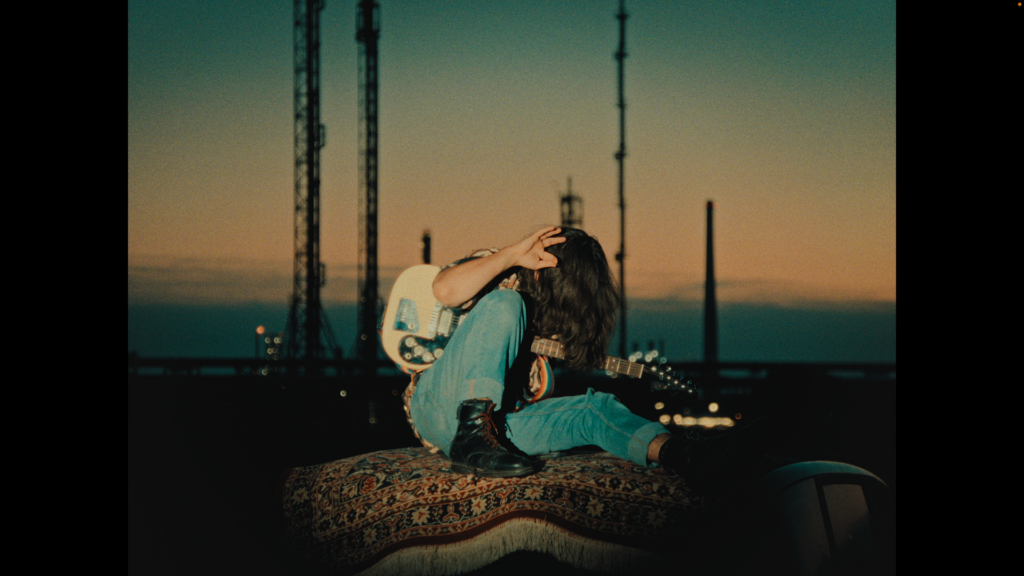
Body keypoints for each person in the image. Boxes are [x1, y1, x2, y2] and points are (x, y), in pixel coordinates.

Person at [401, 225, 762, 489]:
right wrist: (511, 254)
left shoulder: (549, 329)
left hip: (496, 428)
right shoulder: (501, 272)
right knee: (506, 304)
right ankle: (471, 436)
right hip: (438, 407)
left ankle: (685, 456)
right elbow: (444, 290)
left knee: (595, 409)